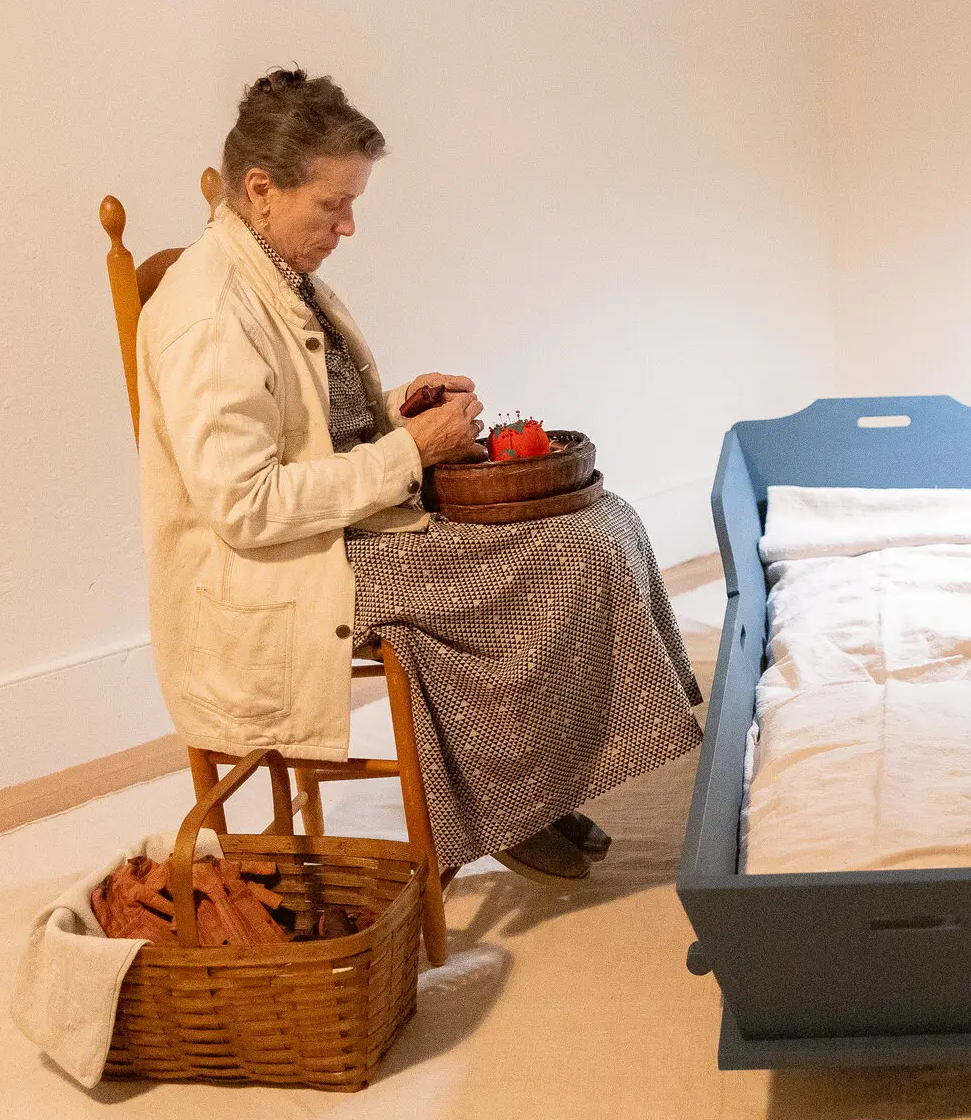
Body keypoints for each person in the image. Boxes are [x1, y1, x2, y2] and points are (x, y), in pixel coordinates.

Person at [137, 68, 702, 884]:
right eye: (333, 205)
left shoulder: (271, 271)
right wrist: (410, 453)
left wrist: (400, 410)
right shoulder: (208, 312)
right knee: (573, 550)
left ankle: (521, 790)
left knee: (601, 517)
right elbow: (247, 506)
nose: (350, 225)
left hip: (338, 535)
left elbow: (307, 428)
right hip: (283, 572)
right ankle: (516, 796)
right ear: (260, 189)